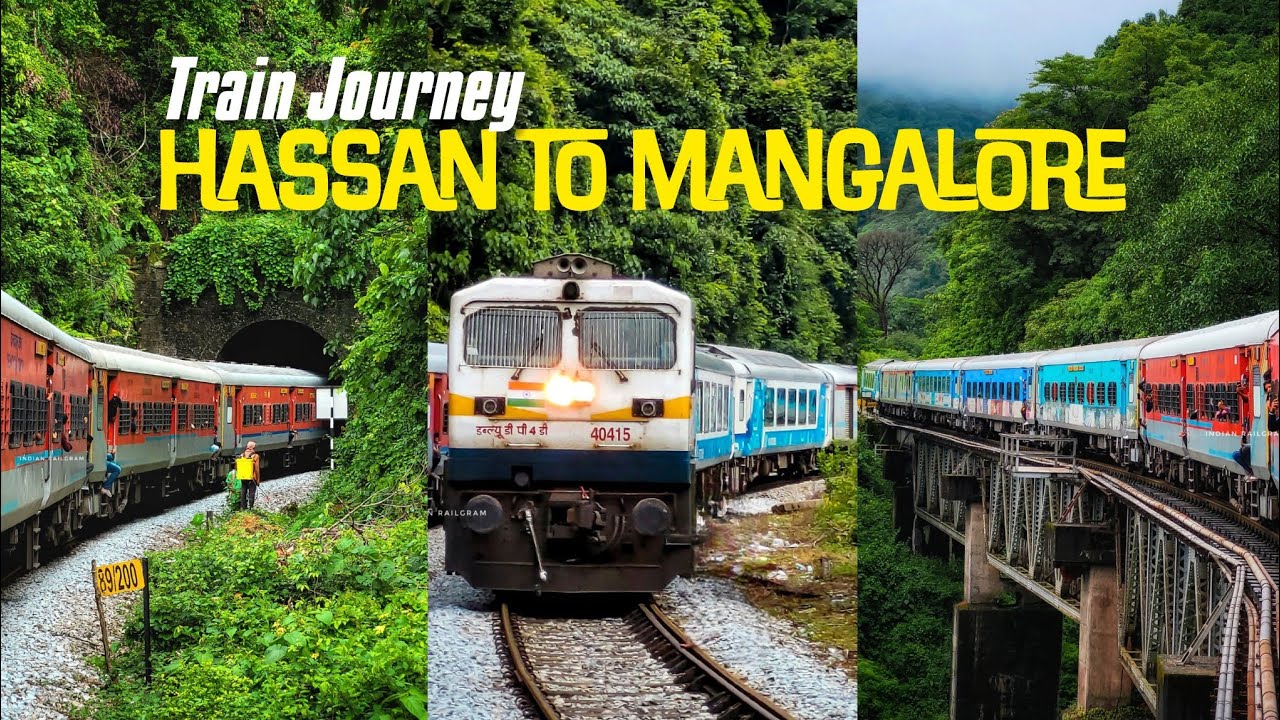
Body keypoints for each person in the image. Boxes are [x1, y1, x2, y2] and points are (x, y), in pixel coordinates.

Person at [237, 442, 262, 510]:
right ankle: (251, 507)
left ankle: (243, 507)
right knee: (252, 492)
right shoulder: (255, 456)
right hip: (252, 478)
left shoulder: (242, 455)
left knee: (243, 491)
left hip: (243, 477)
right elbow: (257, 469)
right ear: (253, 448)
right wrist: (258, 480)